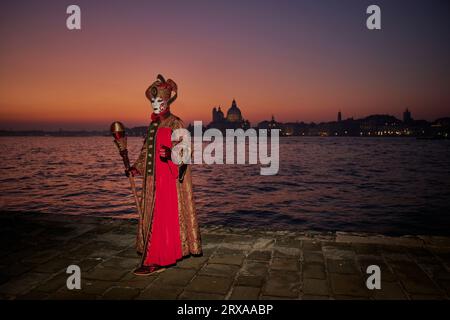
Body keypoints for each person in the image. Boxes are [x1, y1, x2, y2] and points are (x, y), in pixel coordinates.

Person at [127, 74, 202, 275]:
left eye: (159, 101)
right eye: (153, 101)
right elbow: (146, 152)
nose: (155, 104)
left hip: (168, 180)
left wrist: (171, 154)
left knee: (162, 219)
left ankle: (159, 259)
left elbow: (187, 150)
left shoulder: (176, 123)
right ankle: (155, 255)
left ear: (167, 101)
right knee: (152, 217)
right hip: (152, 181)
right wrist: (137, 167)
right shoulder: (153, 126)